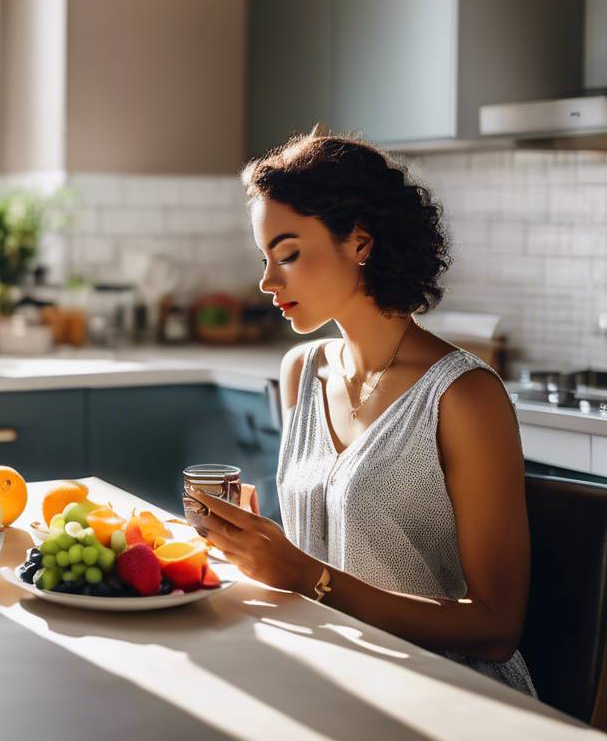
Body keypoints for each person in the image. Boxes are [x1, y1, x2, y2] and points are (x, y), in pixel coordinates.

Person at [185, 129, 536, 695]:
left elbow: (496, 629)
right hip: (333, 675)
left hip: (452, 693)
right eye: (265, 258)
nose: (268, 281)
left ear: (360, 243)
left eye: (289, 254)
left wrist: (308, 576)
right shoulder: (303, 369)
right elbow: (324, 545)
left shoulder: (464, 396)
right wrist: (255, 539)